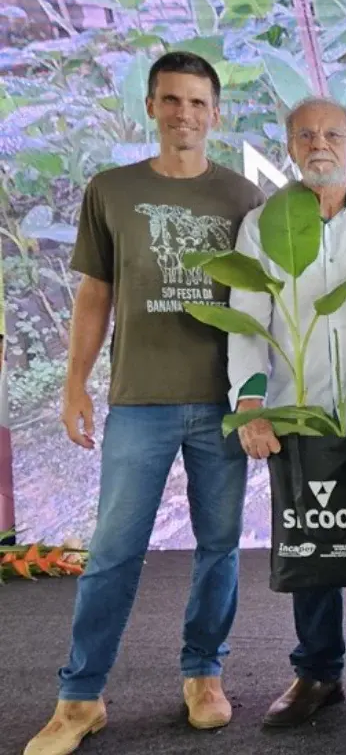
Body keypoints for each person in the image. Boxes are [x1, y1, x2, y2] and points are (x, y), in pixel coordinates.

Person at [25, 51, 264, 755]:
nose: (184, 113)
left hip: (221, 403)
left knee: (219, 548)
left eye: (197, 102)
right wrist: (75, 382)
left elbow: (262, 304)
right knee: (113, 553)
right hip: (139, 402)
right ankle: (80, 697)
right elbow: (95, 293)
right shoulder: (113, 190)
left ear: (215, 112)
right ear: (152, 106)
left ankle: (204, 675)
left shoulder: (244, 196)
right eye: (171, 100)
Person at [226, 97, 346, 729]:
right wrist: (251, 406)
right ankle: (317, 672)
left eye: (333, 134)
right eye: (306, 135)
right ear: (288, 147)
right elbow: (248, 320)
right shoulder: (263, 225)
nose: (320, 145)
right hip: (300, 419)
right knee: (311, 547)